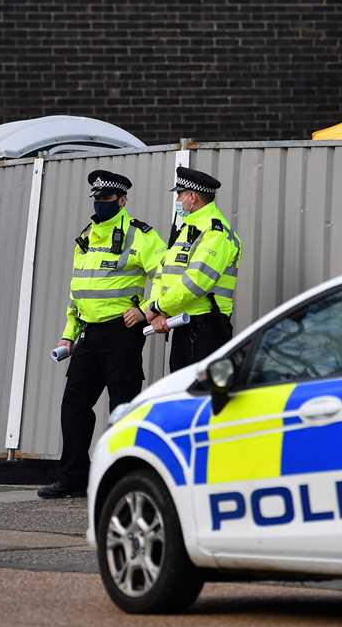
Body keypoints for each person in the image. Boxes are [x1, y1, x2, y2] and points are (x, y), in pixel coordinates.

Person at [38, 170, 165, 499]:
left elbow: (166, 275)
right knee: (74, 405)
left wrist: (148, 310)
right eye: (97, 199)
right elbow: (78, 291)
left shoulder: (141, 236)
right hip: (88, 336)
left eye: (107, 199)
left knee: (122, 407)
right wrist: (68, 335)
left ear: (122, 200)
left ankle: (122, 481)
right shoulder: (86, 236)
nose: (101, 204)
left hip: (121, 334)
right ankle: (73, 479)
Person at [142, 167, 242, 372]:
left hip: (206, 327)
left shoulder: (216, 232)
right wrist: (159, 309)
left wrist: (157, 308)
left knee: (201, 397)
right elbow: (164, 272)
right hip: (183, 324)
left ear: (192, 197)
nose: (177, 199)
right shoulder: (187, 229)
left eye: (179, 194)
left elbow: (196, 282)